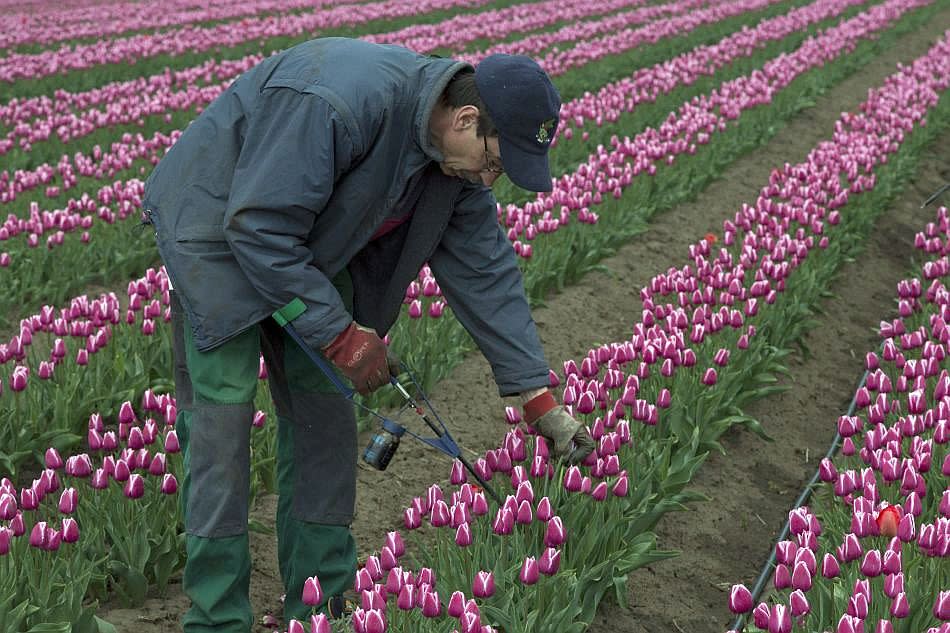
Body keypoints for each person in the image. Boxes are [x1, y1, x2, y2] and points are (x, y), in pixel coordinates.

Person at [142, 36, 596, 631]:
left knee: (324, 420)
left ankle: (321, 608)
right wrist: (338, 335)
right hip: (222, 235)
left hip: (309, 248)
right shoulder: (337, 102)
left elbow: (487, 273)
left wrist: (538, 399)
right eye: (495, 161)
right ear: (465, 119)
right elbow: (259, 225)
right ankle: (218, 618)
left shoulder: (452, 169)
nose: (492, 179)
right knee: (223, 427)